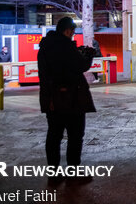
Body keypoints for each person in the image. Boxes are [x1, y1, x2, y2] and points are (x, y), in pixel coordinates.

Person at [38, 17, 96, 185]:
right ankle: (73, 173)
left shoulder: (45, 47)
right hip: (72, 98)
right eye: (73, 31)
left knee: (54, 136)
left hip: (51, 99)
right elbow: (80, 67)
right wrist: (87, 56)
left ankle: (54, 174)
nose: (73, 35)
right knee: (75, 135)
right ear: (68, 30)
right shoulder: (66, 47)